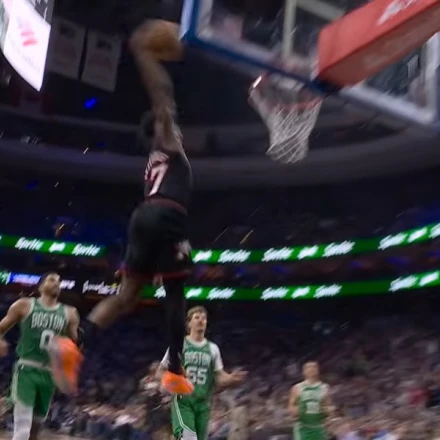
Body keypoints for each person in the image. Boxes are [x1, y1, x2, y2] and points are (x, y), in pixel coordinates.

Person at [51, 22, 194, 396]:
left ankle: (74, 343)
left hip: (144, 217)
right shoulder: (167, 139)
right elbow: (162, 95)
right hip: (166, 215)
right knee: (175, 292)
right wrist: (144, 54)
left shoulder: (156, 158)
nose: (180, 130)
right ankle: (175, 370)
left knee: (127, 296)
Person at [0, 272, 80, 440]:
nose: (56, 283)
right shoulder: (24, 305)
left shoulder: (70, 313)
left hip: (49, 374)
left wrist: (70, 356)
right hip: (27, 369)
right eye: (51, 280)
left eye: (59, 281)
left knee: (35, 430)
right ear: (41, 286)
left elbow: (75, 343)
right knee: (22, 430)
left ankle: (7, 404)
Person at [158, 306, 247, 440]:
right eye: (197, 318)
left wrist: (231, 379)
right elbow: (161, 371)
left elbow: (219, 377)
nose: (201, 321)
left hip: (203, 403)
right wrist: (172, 382)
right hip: (183, 402)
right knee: (188, 437)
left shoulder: (213, 348)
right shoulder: (179, 345)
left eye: (204, 318)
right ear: (189, 323)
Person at [288, 361, 334, 440]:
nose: (311, 370)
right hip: (303, 426)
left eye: (314, 368)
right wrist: (293, 411)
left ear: (318, 370)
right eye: (308, 368)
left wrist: (329, 411)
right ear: (304, 372)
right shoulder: (297, 387)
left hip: (319, 426)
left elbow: (328, 405)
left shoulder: (324, 387)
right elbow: (291, 405)